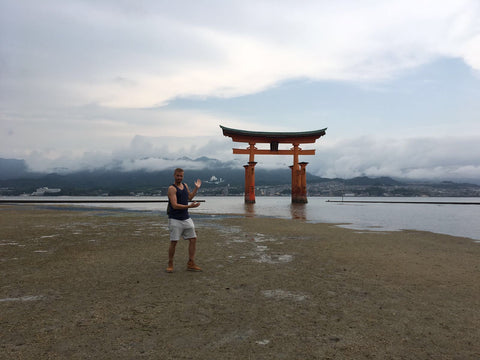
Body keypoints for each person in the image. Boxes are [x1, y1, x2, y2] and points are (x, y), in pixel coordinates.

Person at [166, 168, 202, 273]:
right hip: (175, 219)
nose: (179, 178)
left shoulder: (185, 185)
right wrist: (190, 207)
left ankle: (191, 263)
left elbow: (189, 197)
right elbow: (175, 205)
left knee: (193, 239)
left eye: (181, 176)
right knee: (174, 242)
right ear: (174, 175)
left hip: (186, 218)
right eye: (177, 176)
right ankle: (170, 263)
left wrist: (196, 188)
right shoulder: (171, 189)